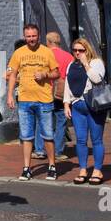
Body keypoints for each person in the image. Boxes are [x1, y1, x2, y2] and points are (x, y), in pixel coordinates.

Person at [5, 23, 61, 181]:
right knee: (26, 136)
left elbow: (56, 73)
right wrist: (9, 95)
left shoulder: (47, 52)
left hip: (44, 100)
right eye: (28, 36)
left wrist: (45, 75)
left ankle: (51, 166)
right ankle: (26, 168)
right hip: (24, 100)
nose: (31, 39)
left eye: (34, 36)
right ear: (25, 37)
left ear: (39, 36)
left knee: (48, 135)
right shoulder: (19, 53)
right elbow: (12, 75)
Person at [64, 38, 107, 185]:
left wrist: (86, 64)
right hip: (77, 106)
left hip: (94, 106)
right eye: (75, 50)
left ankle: (97, 170)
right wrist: (66, 104)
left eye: (80, 50)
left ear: (87, 50)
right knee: (81, 140)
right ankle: (83, 169)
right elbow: (67, 85)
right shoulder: (71, 65)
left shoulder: (96, 62)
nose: (77, 53)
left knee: (96, 140)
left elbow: (96, 79)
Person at [44, 31, 74, 160]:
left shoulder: (45, 55)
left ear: (48, 42)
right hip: (62, 93)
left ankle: (41, 149)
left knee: (44, 121)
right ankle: (58, 151)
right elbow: (71, 75)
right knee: (61, 121)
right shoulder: (69, 56)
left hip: (46, 91)